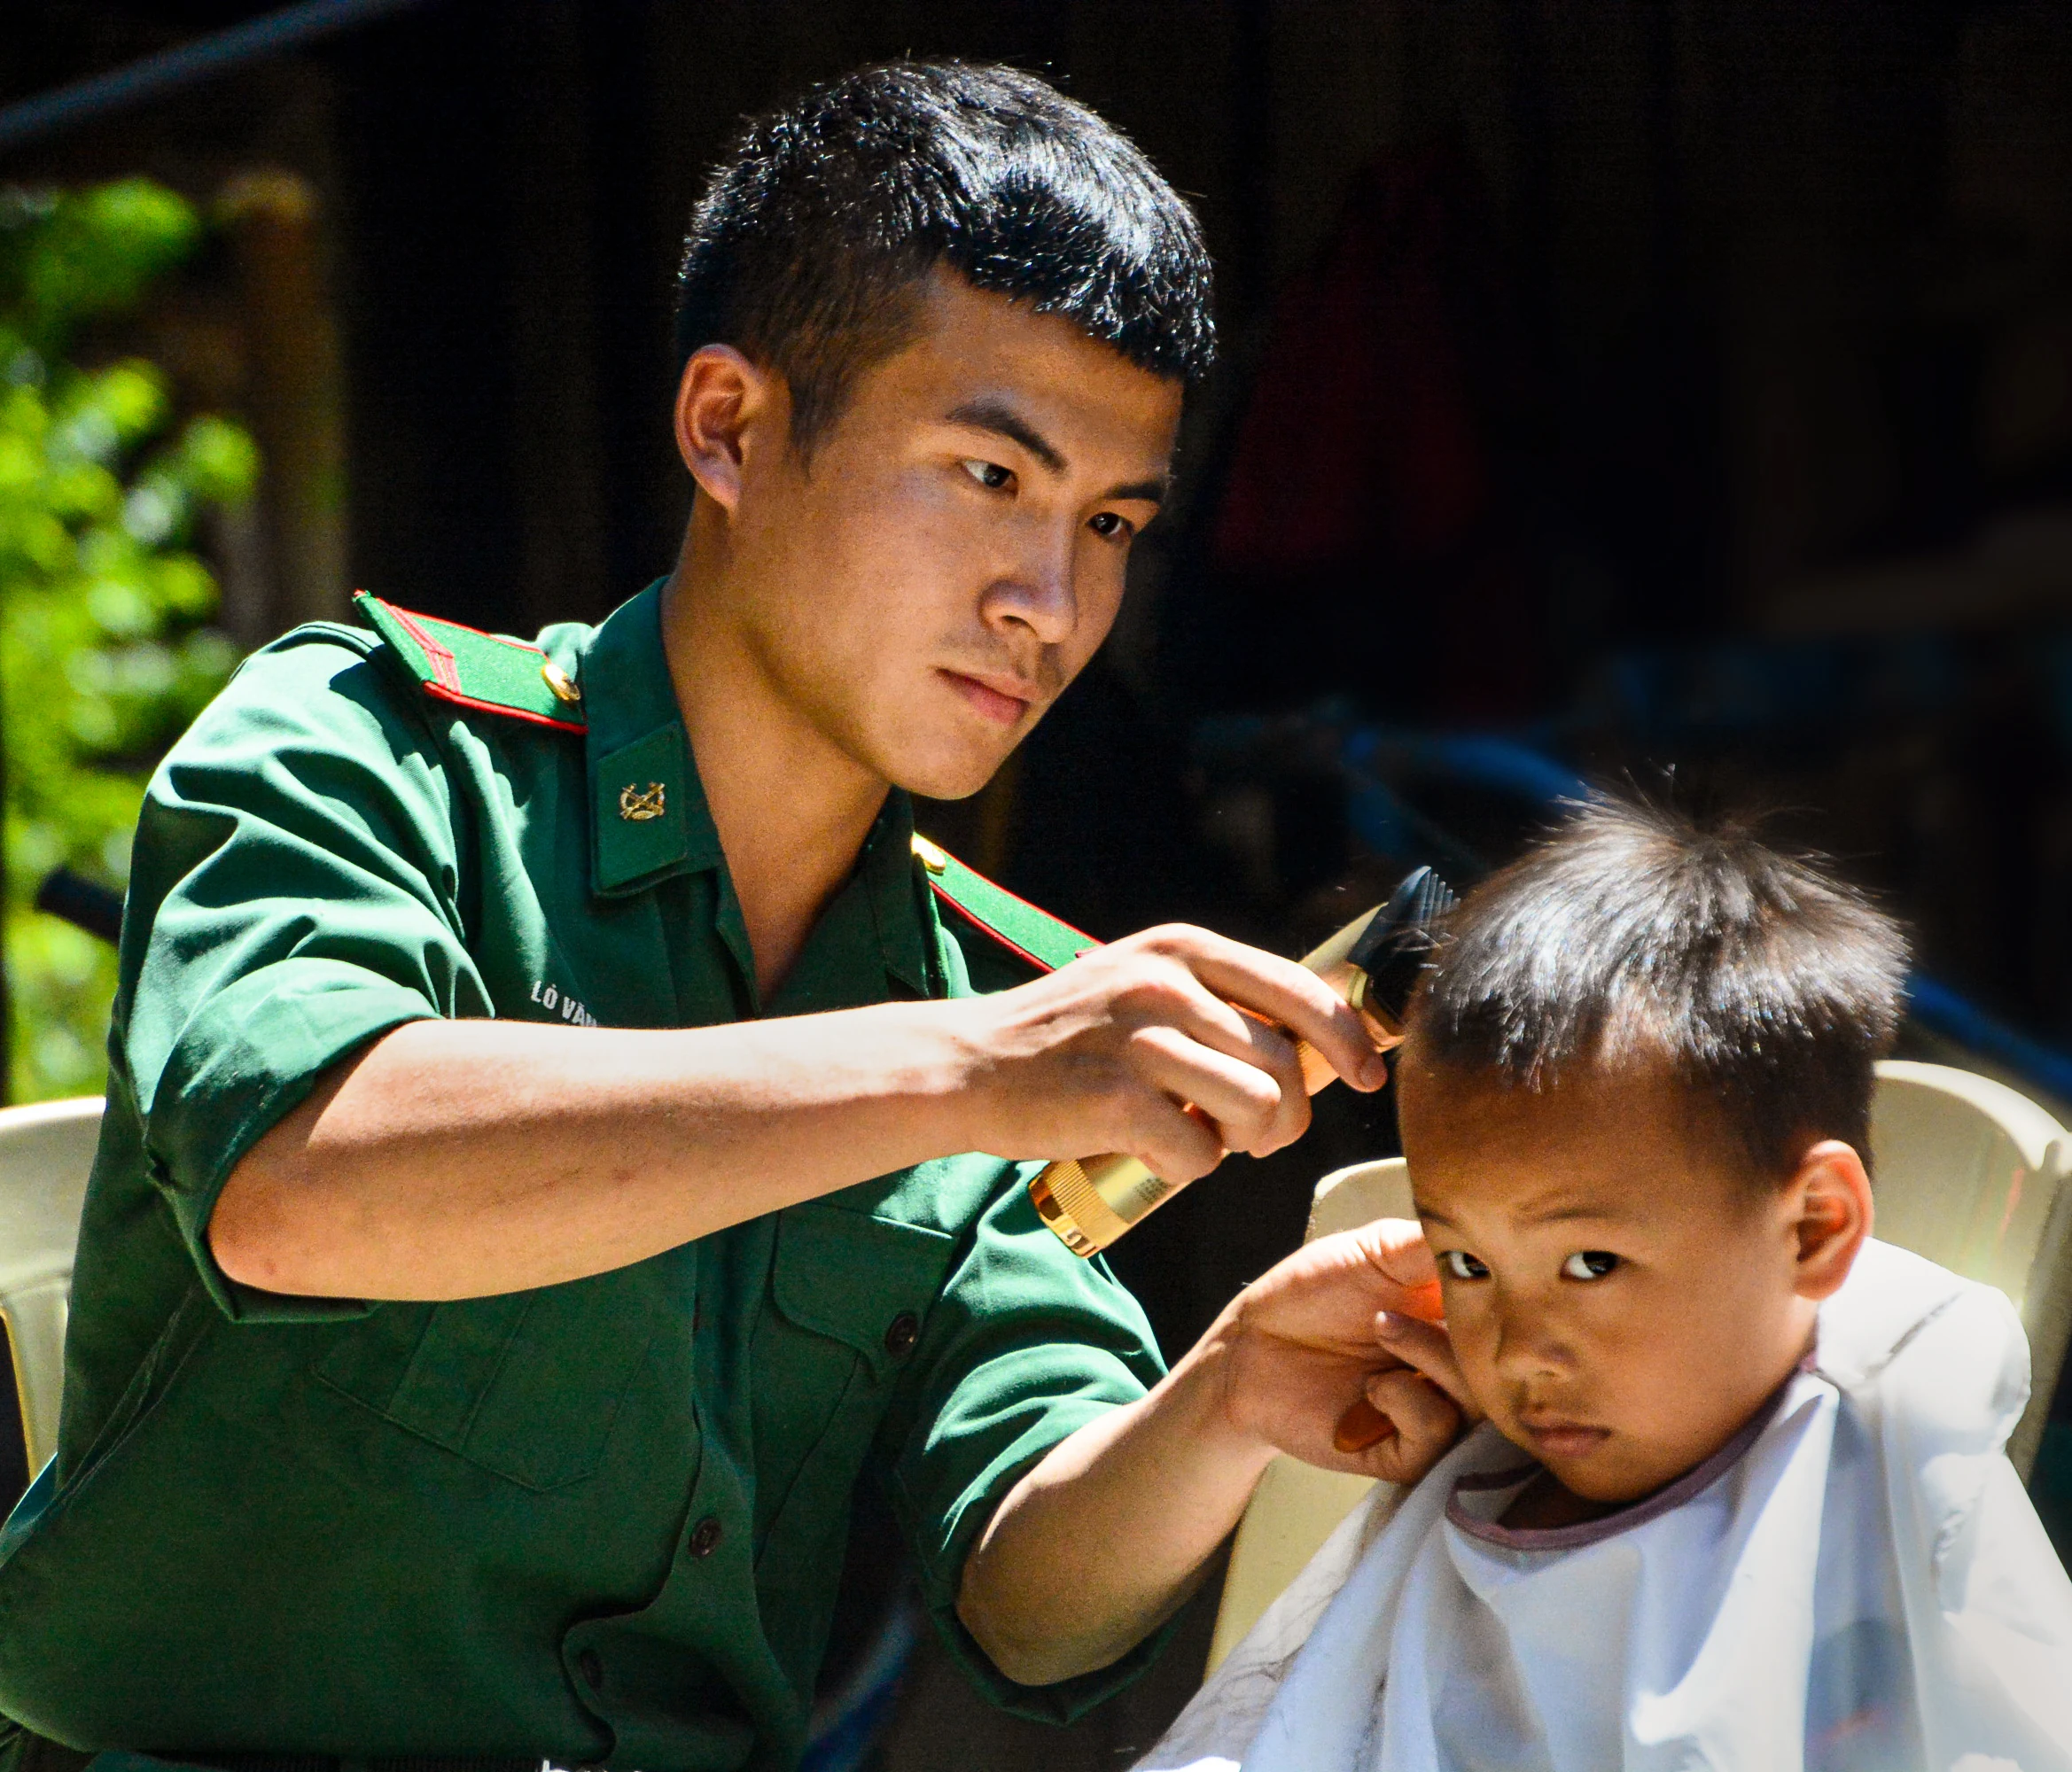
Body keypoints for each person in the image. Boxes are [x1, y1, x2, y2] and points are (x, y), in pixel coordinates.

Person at [0, 63, 1470, 1769]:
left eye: (1111, 521)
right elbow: (299, 1184)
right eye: (988, 477)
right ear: (728, 428)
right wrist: (974, 1069)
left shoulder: (972, 1008)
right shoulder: (367, 750)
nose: (1049, 605)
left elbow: (1022, 1593)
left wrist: (1230, 1396)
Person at [1145, 793, 2072, 1772]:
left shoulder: (1869, 1493)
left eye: (1589, 1264)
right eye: (1467, 1263)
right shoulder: (1473, 1480)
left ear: (1813, 1226)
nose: (1514, 1347)